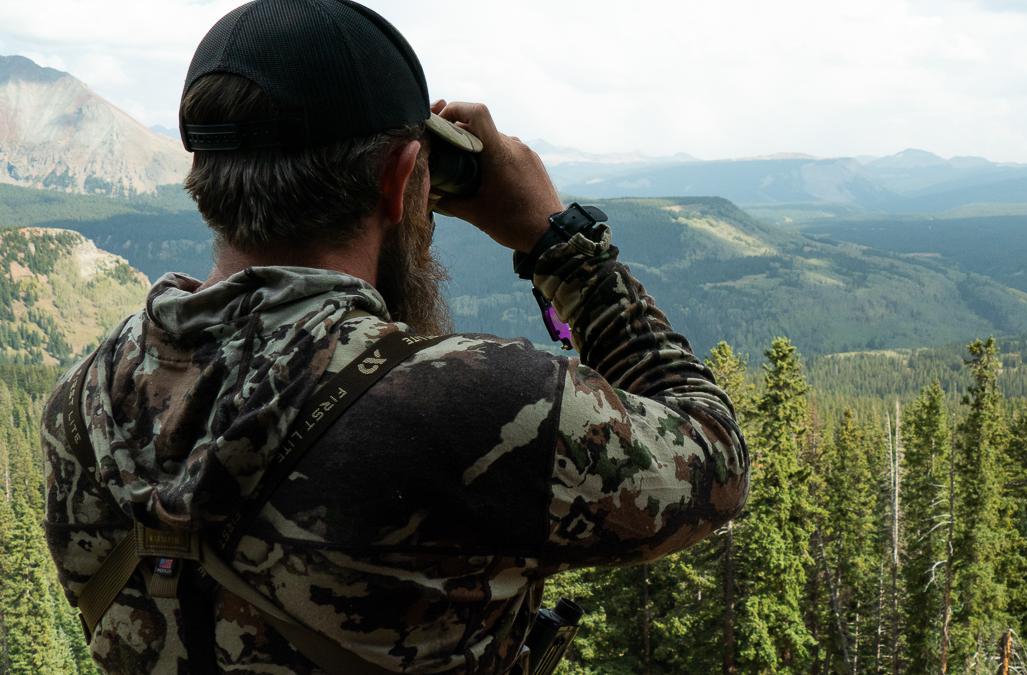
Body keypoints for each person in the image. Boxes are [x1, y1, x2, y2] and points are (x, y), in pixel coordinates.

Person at [40, 0, 749, 672]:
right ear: (402, 177)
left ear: (204, 177)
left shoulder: (81, 405)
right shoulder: (479, 409)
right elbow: (714, 457)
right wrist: (558, 243)